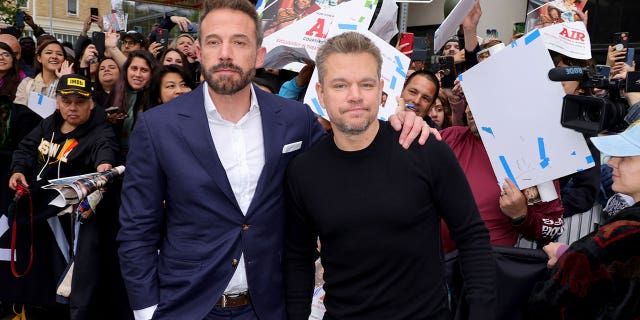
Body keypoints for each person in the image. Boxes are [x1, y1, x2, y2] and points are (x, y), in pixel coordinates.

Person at [116, 0, 431, 319]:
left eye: (239, 41)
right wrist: (147, 310)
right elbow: (137, 228)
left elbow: (349, 164)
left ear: (260, 55)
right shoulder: (157, 127)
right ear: (199, 51)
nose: (226, 52)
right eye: (214, 41)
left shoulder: (296, 121)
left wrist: (397, 123)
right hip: (185, 308)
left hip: (269, 307)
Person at [284, 31, 495, 320]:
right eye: (340, 85)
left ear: (381, 90)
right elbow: (298, 259)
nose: (355, 96)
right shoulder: (303, 171)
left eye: (366, 84)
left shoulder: (423, 148)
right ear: (321, 93)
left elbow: (472, 235)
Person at [6, 74, 121, 318]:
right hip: (35, 210)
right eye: (67, 100)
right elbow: (26, 147)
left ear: (91, 103)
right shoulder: (49, 123)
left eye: (80, 101)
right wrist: (18, 170)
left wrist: (104, 168)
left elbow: (106, 151)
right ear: (57, 101)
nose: (72, 107)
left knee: (67, 278)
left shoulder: (100, 131)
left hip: (68, 218)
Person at [529, 120, 640, 319]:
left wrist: (568, 259)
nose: (611, 162)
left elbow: (547, 304)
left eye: (625, 156)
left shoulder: (625, 231)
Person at [439, 104, 565, 251]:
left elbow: (554, 227)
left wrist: (521, 215)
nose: (468, 110)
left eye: (478, 101)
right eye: (468, 101)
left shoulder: (533, 158)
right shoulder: (451, 137)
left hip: (484, 266)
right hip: (428, 260)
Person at [105, 50, 159, 156]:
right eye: (134, 69)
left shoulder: (156, 97)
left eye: (144, 70)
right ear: (127, 70)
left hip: (143, 155)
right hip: (116, 153)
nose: (138, 74)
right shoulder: (117, 90)